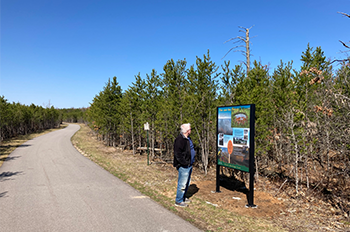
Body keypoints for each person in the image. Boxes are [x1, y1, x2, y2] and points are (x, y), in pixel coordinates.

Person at [173, 123, 196, 207]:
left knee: (187, 182)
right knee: (182, 184)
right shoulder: (180, 140)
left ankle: (183, 197)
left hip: (189, 164)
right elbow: (177, 154)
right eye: (190, 129)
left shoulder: (188, 138)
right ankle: (178, 201)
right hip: (184, 165)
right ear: (187, 131)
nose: (190, 130)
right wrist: (184, 163)